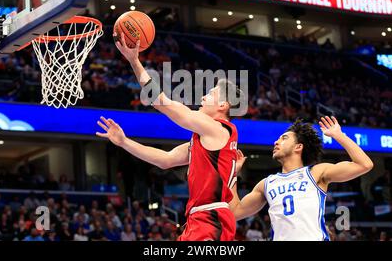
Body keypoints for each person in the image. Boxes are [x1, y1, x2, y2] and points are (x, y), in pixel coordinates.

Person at [96, 37, 245, 241]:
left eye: (210, 94)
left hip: (210, 219)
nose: (202, 97)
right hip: (199, 219)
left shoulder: (218, 129)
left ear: (223, 106)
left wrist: (134, 62)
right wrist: (124, 142)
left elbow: (161, 102)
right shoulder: (208, 138)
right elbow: (165, 160)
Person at [230, 116, 374, 241]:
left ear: (298, 147)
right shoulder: (266, 184)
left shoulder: (316, 172)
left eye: (284, 138)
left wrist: (339, 135)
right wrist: (233, 174)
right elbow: (235, 212)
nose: (276, 142)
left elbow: (364, 164)